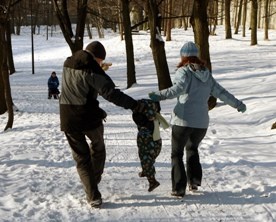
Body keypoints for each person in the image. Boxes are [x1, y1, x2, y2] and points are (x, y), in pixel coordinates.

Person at [149, 41, 247, 198]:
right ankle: (194, 182)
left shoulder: (184, 71)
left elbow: (178, 89)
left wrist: (158, 95)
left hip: (183, 121)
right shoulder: (207, 74)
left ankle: (179, 188)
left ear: (183, 57)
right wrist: (238, 104)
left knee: (176, 153)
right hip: (201, 124)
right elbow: (221, 92)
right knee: (192, 149)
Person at [59, 41, 146, 208]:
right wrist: (135, 105)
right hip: (88, 117)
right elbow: (110, 93)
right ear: (97, 58)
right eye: (100, 61)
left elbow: (80, 85)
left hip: (68, 118)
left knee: (81, 158)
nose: (100, 64)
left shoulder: (68, 62)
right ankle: (93, 182)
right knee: (99, 149)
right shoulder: (91, 67)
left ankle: (92, 194)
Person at [132, 99, 169, 192]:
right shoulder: (156, 118)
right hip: (157, 142)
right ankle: (146, 170)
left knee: (145, 158)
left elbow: (136, 118)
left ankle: (152, 181)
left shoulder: (143, 121)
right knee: (150, 157)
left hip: (145, 140)